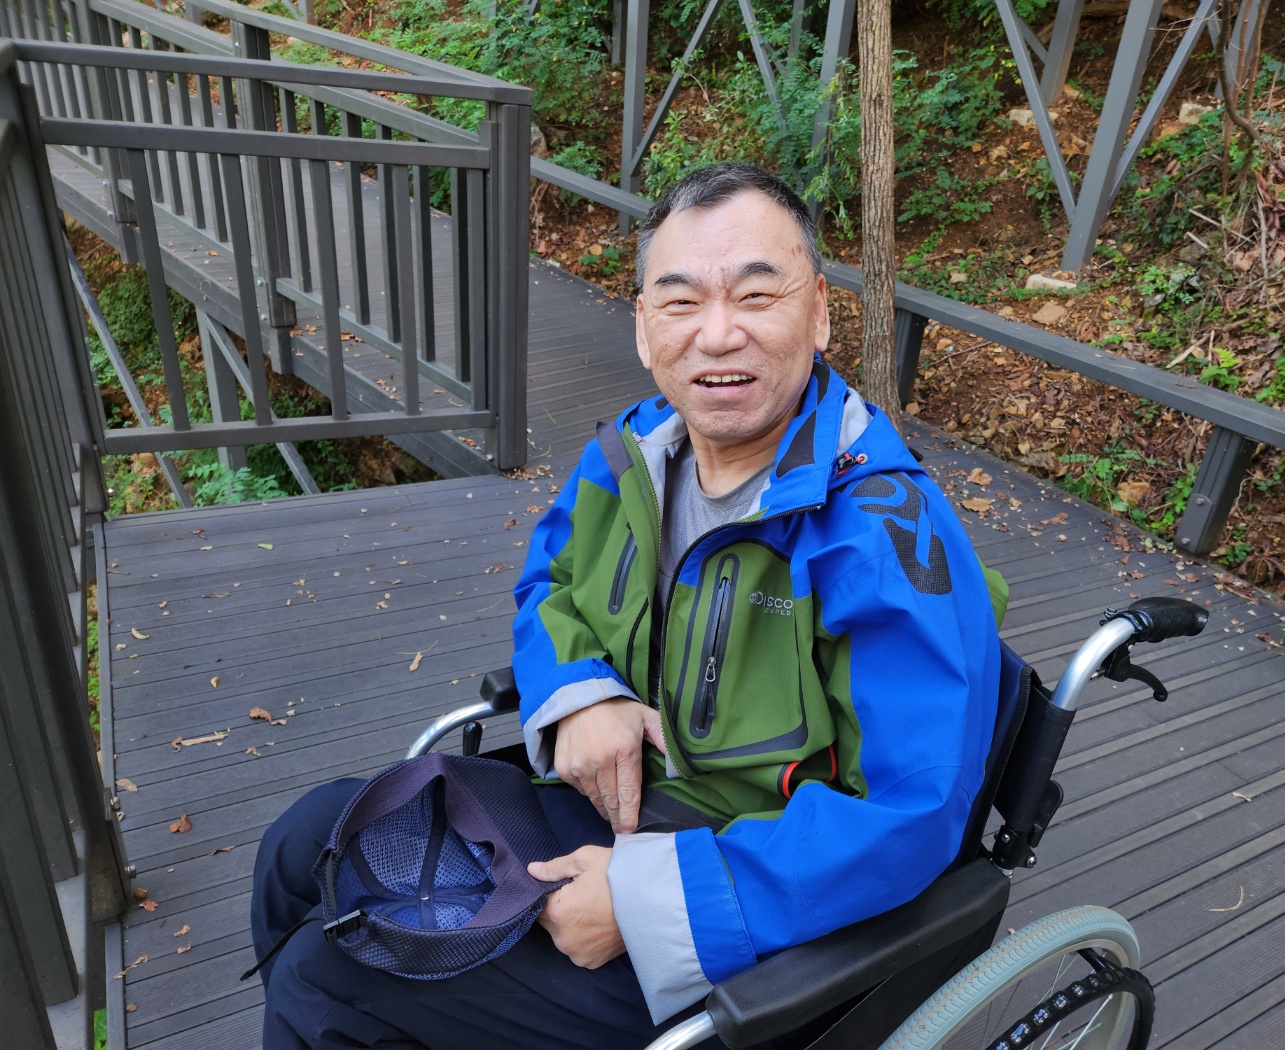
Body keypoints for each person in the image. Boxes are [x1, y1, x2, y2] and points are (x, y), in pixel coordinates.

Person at [250, 162, 1003, 1049]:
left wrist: (647, 901)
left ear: (819, 313)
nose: (717, 334)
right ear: (644, 327)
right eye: (680, 302)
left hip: (751, 896)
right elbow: (550, 584)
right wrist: (580, 693)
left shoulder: (883, 534)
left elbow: (913, 810)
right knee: (304, 845)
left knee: (326, 982)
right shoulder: (633, 455)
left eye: (756, 295)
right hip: (611, 806)